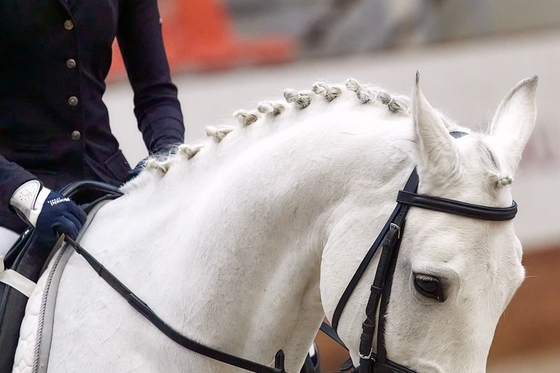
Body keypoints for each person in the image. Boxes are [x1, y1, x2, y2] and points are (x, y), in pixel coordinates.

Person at [0, 0, 185, 252]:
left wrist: (166, 157)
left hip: (105, 179)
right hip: (12, 192)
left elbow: (156, 93)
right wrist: (25, 194)